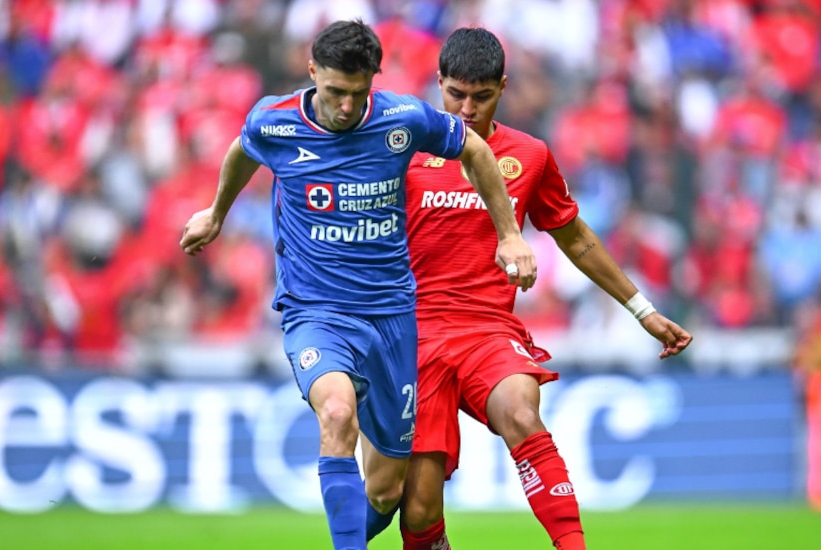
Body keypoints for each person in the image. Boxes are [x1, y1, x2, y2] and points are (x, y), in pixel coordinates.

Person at [178, 20, 537, 550]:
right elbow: (242, 149)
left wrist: (508, 234)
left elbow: (477, 152)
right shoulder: (275, 123)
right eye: (334, 92)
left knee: (388, 492)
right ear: (312, 73)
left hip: (391, 318)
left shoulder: (403, 119)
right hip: (317, 313)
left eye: (358, 93)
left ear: (374, 80)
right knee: (338, 413)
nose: (346, 107)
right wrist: (215, 213)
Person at [396, 28, 694, 550]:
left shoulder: (528, 155)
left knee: (520, 410)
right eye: (455, 94)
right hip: (412, 338)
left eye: (482, 96)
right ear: (438, 83)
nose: (467, 109)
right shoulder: (403, 150)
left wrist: (641, 309)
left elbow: (575, 238)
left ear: (503, 88)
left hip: (487, 330)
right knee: (418, 512)